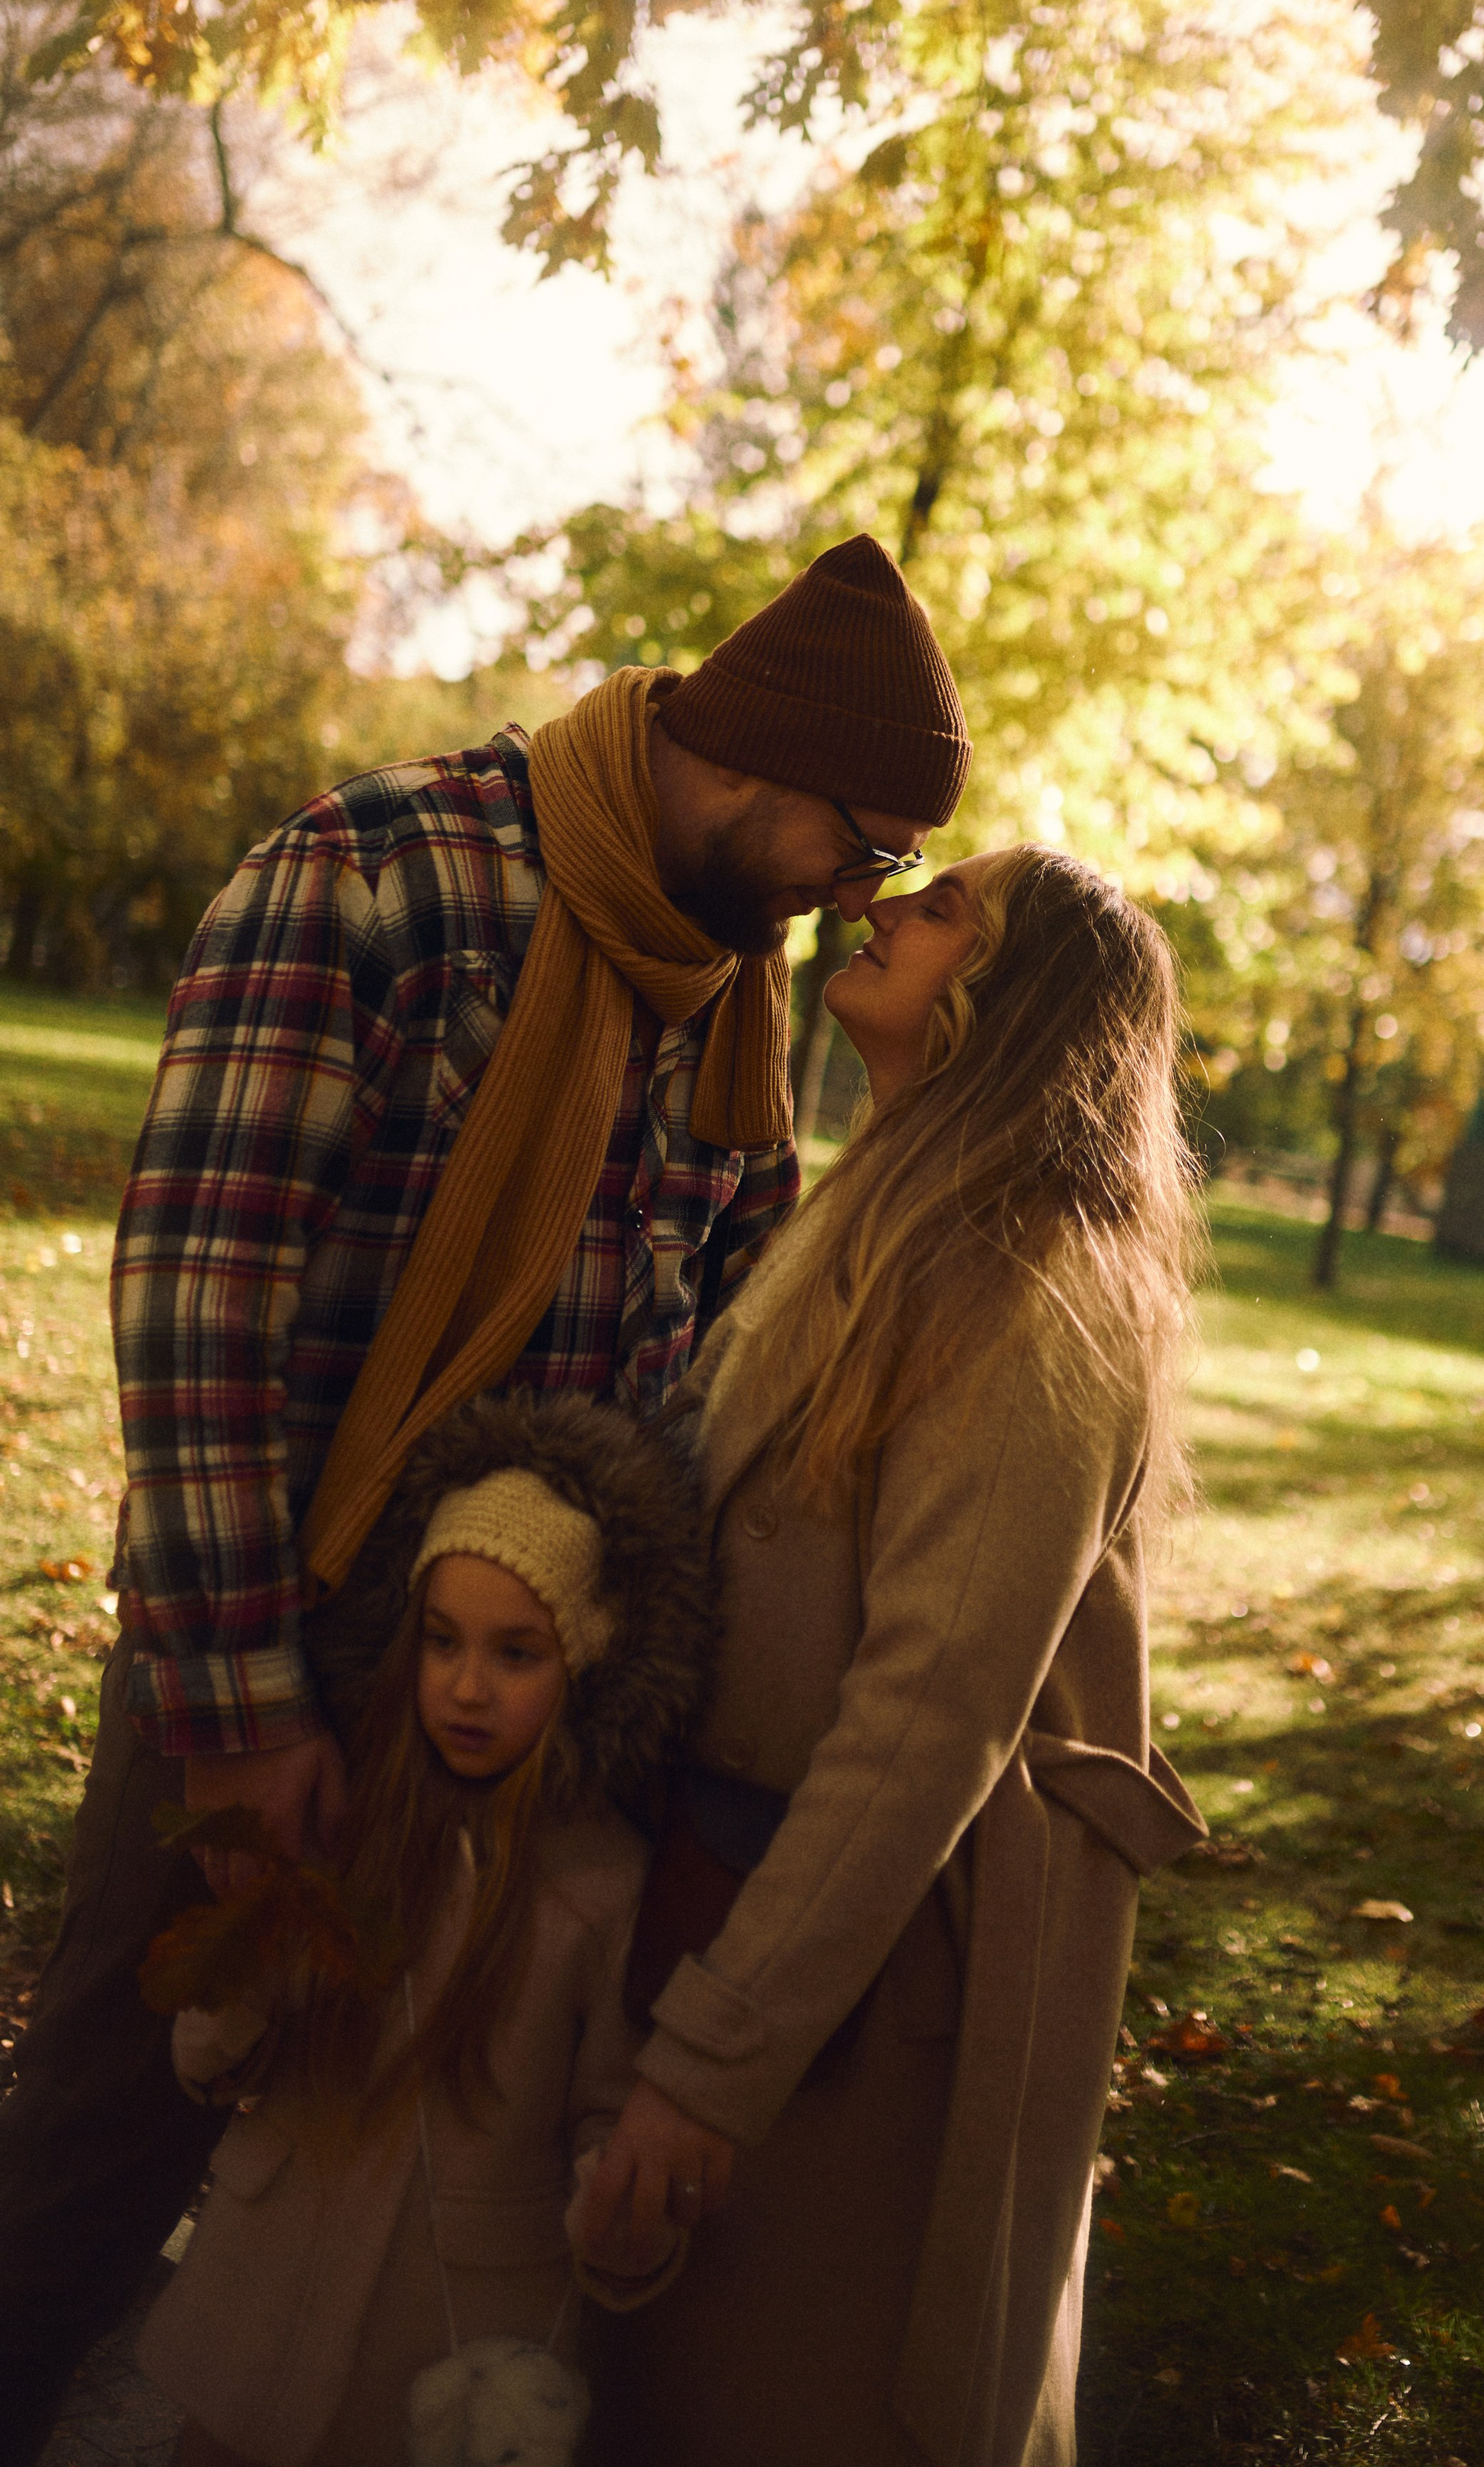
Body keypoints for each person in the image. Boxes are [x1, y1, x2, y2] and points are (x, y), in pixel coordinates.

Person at [0, 534, 969, 2465]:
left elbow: (706, 1344)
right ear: (764, 767)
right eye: (858, 848)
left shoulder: (727, 984)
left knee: (413, 2179)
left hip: (522, 1703)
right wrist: (243, 1709)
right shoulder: (376, 876)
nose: (857, 896)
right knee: (116, 2129)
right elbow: (197, 1308)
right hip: (277, 1647)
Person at [573, 844, 1209, 2467]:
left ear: (1015, 1000)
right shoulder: (878, 1202)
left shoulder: (1040, 1293)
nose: (878, 911)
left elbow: (930, 1721)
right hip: (727, 1890)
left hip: (883, 1986)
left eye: (940, 913)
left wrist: (713, 2065)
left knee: (804, 2402)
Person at [141, 1386, 711, 2467]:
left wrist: (621, 2213)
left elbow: (608, 2116)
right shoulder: (355, 1828)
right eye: (443, 1641)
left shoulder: (603, 1888)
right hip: (266, 2304)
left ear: (584, 1664)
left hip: (445, 2339)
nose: (464, 1686)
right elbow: (228, 2059)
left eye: (516, 1655)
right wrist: (236, 1990)